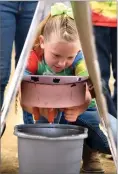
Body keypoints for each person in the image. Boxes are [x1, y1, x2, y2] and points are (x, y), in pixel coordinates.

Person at [21, 3, 117, 173]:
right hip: (47, 110)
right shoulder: (34, 55)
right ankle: (51, 157)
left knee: (108, 140)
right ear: (42, 42)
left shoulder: (80, 59)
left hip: (82, 110)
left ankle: (89, 150)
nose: (62, 63)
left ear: (78, 50)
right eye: (56, 55)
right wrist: (37, 108)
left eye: (69, 57)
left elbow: (90, 92)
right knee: (47, 130)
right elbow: (23, 97)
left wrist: (80, 107)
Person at [0, 1, 38, 127]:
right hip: (3, 4)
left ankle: (30, 127)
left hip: (33, 4)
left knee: (28, 70)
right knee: (1, 73)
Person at [90, 1, 117, 117]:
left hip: (97, 16)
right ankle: (110, 118)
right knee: (100, 78)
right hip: (96, 16)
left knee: (100, 77)